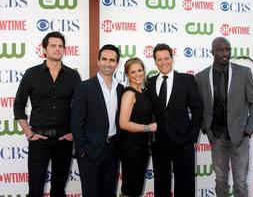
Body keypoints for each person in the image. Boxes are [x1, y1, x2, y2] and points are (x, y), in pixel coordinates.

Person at [13, 31, 81, 197]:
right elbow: (19, 105)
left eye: (60, 46)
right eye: (53, 46)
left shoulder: (73, 76)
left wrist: (73, 133)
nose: (57, 49)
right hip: (39, 141)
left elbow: (80, 109)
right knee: (35, 189)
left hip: (64, 141)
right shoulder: (31, 74)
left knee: (58, 189)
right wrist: (29, 133)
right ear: (44, 49)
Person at [195, 37, 253, 197]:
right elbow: (199, 107)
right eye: (220, 50)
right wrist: (207, 129)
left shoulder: (244, 72)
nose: (225, 53)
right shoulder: (201, 77)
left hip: (240, 137)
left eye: (228, 49)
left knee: (240, 182)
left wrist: (249, 129)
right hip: (217, 138)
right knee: (220, 180)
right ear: (212, 52)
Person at [146, 43, 202, 197]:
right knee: (161, 185)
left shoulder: (187, 80)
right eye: (159, 59)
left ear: (172, 58)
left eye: (166, 58)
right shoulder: (149, 83)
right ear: (155, 61)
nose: (163, 62)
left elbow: (197, 110)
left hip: (183, 141)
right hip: (159, 143)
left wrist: (192, 136)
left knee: (185, 185)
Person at [71, 44, 123, 197]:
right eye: (104, 59)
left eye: (112, 60)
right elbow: (76, 121)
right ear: (98, 61)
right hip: (90, 151)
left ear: (117, 63)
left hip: (112, 150)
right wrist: (82, 150)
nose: (108, 63)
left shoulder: (120, 88)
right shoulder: (84, 87)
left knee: (109, 192)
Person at [119, 57, 157, 197]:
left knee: (136, 188)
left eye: (139, 70)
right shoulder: (129, 94)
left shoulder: (144, 92)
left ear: (144, 71)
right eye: (133, 72)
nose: (137, 74)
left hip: (142, 146)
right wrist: (148, 128)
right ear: (127, 75)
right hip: (131, 147)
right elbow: (123, 123)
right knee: (130, 188)